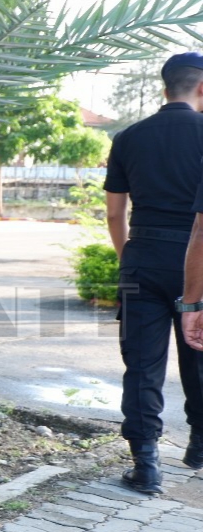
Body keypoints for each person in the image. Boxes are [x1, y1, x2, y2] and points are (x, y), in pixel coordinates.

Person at [105, 52, 203, 492]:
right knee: (198, 350)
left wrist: (131, 256)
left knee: (142, 364)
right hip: (196, 258)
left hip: (141, 256)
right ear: (202, 89)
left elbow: (113, 214)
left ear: (165, 89)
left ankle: (146, 465)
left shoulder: (129, 137)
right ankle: (199, 447)